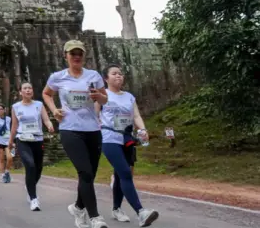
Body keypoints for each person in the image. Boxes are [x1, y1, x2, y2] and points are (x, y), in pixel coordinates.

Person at [42, 40, 109, 228]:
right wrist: (54, 110)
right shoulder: (58, 77)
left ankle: (78, 208)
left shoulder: (93, 75)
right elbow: (46, 94)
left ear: (84, 56)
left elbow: (105, 99)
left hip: (93, 129)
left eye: (80, 53)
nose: (76, 56)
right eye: (73, 53)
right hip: (70, 129)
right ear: (66, 56)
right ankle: (95, 217)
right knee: (85, 172)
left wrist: (99, 97)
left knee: (89, 175)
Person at [98, 65, 159, 226]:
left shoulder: (129, 97)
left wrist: (143, 129)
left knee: (120, 175)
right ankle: (141, 212)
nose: (118, 76)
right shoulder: (102, 95)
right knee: (125, 172)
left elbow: (136, 115)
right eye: (114, 73)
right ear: (106, 78)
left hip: (126, 138)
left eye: (120, 73)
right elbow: (94, 114)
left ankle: (116, 209)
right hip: (109, 137)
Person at [9, 82, 55, 211]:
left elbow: (45, 119)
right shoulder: (16, 107)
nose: (28, 90)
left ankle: (30, 186)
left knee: (38, 169)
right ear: (20, 92)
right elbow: (14, 125)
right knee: (30, 165)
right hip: (22, 139)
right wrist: (11, 141)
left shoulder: (39, 105)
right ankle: (34, 199)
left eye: (30, 88)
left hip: (37, 139)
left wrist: (49, 125)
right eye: (25, 88)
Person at [0, 103, 13, 183]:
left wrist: (13, 141)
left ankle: (7, 171)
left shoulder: (9, 119)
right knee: (1, 159)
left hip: (7, 140)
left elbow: (12, 129)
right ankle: (3, 175)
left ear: (4, 110)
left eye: (2, 109)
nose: (0, 110)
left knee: (9, 158)